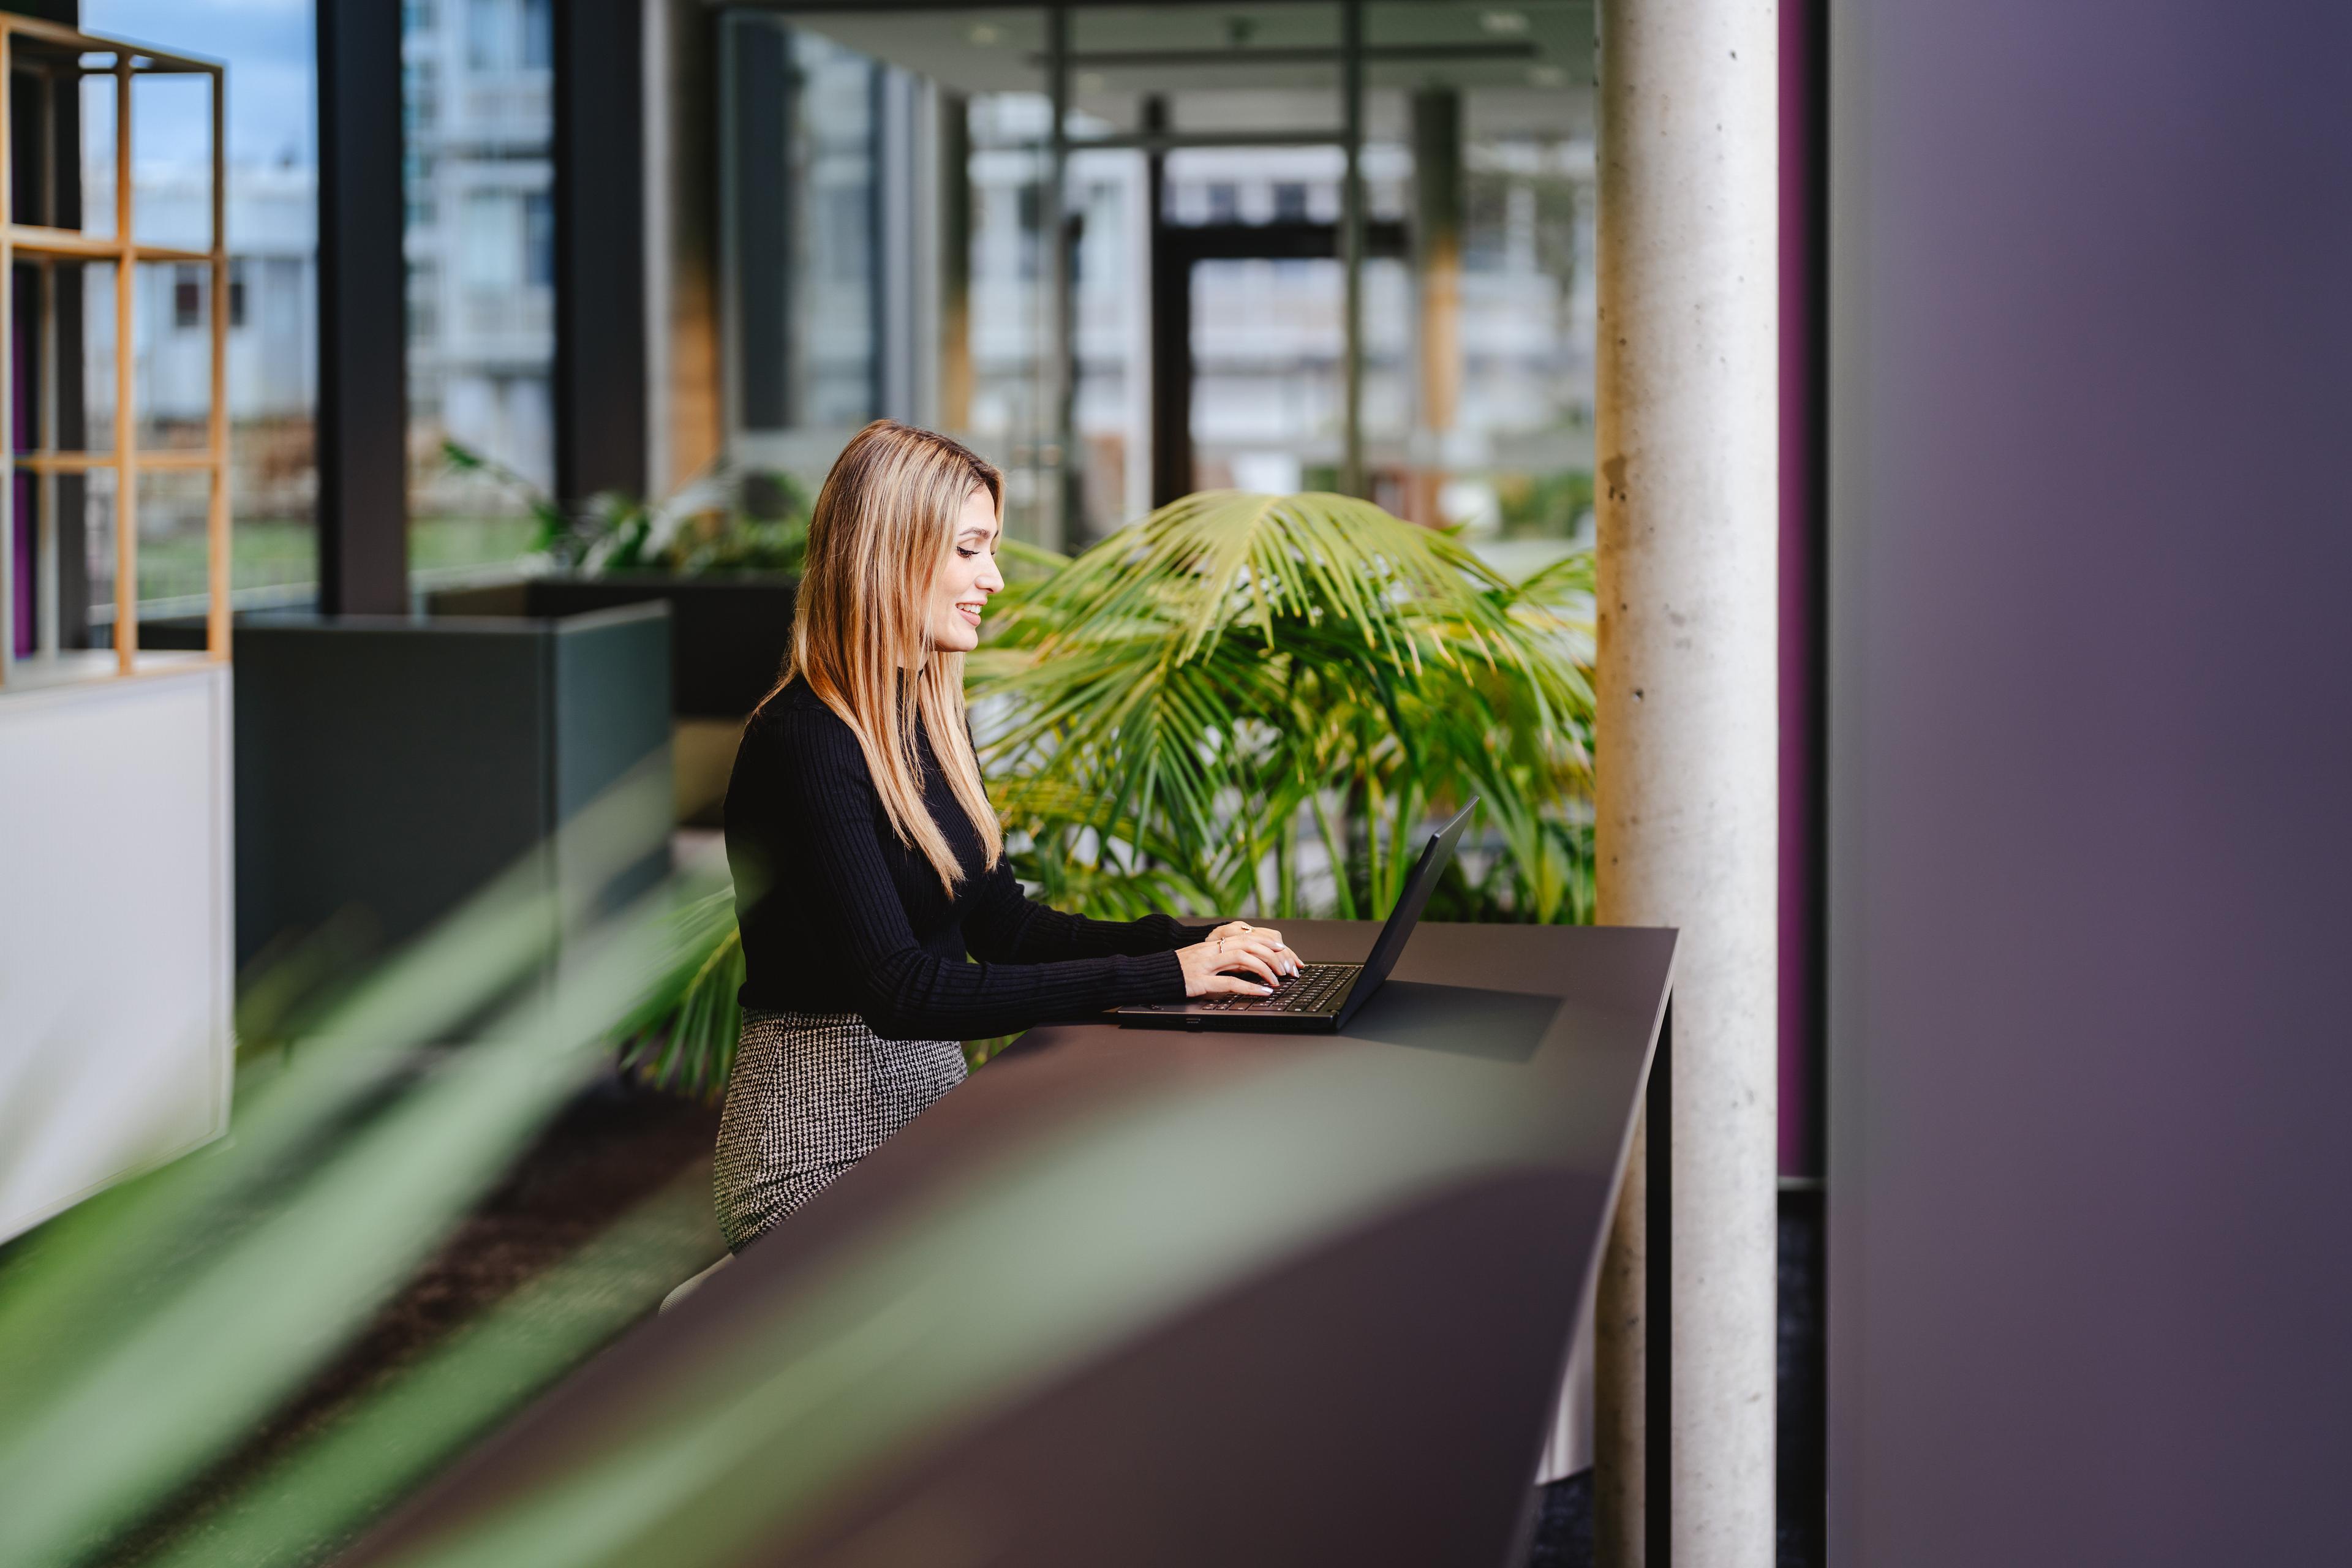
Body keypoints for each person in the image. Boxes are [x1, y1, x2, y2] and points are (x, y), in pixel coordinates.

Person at [713, 420, 1302, 1251]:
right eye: (970, 550)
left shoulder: (929, 718)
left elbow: (1005, 927)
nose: (992, 577)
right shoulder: (806, 738)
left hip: (930, 1113)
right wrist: (1166, 976)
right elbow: (901, 991)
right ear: (890, 552)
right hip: (819, 1150)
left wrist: (1192, 942)